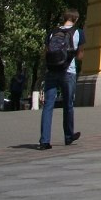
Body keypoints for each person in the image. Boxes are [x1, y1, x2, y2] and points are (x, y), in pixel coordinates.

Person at [38, 8, 84, 150]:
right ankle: (68, 135)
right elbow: (80, 56)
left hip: (51, 71)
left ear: (64, 18)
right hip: (68, 72)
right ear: (76, 19)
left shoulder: (52, 32)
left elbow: (47, 52)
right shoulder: (78, 32)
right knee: (68, 104)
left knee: (48, 106)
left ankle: (45, 140)